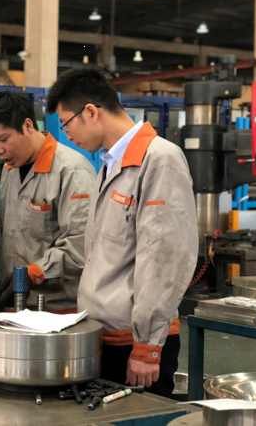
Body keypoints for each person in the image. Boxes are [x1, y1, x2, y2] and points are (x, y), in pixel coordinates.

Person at [46, 69, 198, 398]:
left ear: (90, 111)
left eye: (66, 124)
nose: (66, 135)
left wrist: (147, 346)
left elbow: (164, 259)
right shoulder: (109, 164)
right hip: (105, 335)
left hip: (135, 343)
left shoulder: (159, 160)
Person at [0, 91, 96, 312]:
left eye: (3, 139)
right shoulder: (10, 170)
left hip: (58, 310)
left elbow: (81, 246)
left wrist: (33, 274)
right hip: (16, 307)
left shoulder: (71, 171)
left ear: (28, 125)